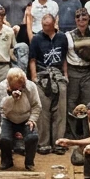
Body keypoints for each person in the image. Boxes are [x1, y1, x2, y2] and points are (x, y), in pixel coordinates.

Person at [29, 12, 69, 155]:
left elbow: (64, 57)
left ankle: (59, 143)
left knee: (60, 111)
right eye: (43, 25)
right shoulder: (36, 38)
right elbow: (32, 59)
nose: (45, 27)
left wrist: (65, 75)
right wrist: (34, 78)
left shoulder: (62, 37)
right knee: (43, 112)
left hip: (58, 74)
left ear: (53, 24)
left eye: (48, 25)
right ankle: (43, 143)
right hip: (42, 75)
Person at [64, 8, 90, 137]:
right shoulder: (69, 35)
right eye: (78, 18)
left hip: (89, 71)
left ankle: (88, 134)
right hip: (73, 70)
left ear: (88, 19)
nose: (81, 20)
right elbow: (65, 57)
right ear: (75, 20)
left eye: (84, 18)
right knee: (71, 102)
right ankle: (74, 134)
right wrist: (66, 74)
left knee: (88, 102)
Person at [0, 68, 41, 172]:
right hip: (8, 117)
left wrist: (32, 120)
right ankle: (7, 161)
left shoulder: (31, 86)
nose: (20, 89)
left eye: (22, 86)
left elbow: (36, 106)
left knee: (32, 137)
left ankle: (29, 162)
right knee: (4, 139)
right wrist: (11, 98)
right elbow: (3, 108)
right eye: (17, 87)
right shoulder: (3, 85)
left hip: (26, 117)